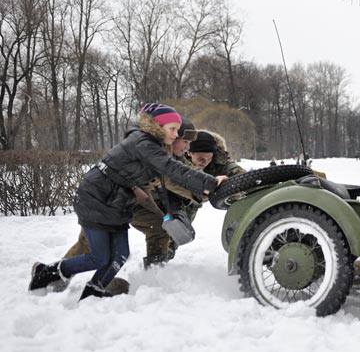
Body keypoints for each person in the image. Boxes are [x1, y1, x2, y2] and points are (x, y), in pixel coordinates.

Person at [28, 104, 227, 301]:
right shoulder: (148, 145)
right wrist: (205, 186)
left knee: (131, 246)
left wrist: (203, 190)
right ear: (162, 129)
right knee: (94, 249)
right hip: (102, 198)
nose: (185, 146)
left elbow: (177, 173)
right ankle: (52, 274)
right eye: (182, 139)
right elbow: (171, 174)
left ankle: (102, 289)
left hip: (122, 202)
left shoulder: (162, 149)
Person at [59, 119, 200, 273]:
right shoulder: (148, 149)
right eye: (185, 141)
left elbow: (190, 172)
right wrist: (203, 189)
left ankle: (154, 273)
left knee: (158, 228)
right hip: (107, 200)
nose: (187, 147)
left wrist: (211, 185)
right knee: (89, 243)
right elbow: (175, 180)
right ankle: (54, 274)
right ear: (171, 137)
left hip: (136, 203)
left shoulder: (174, 156)